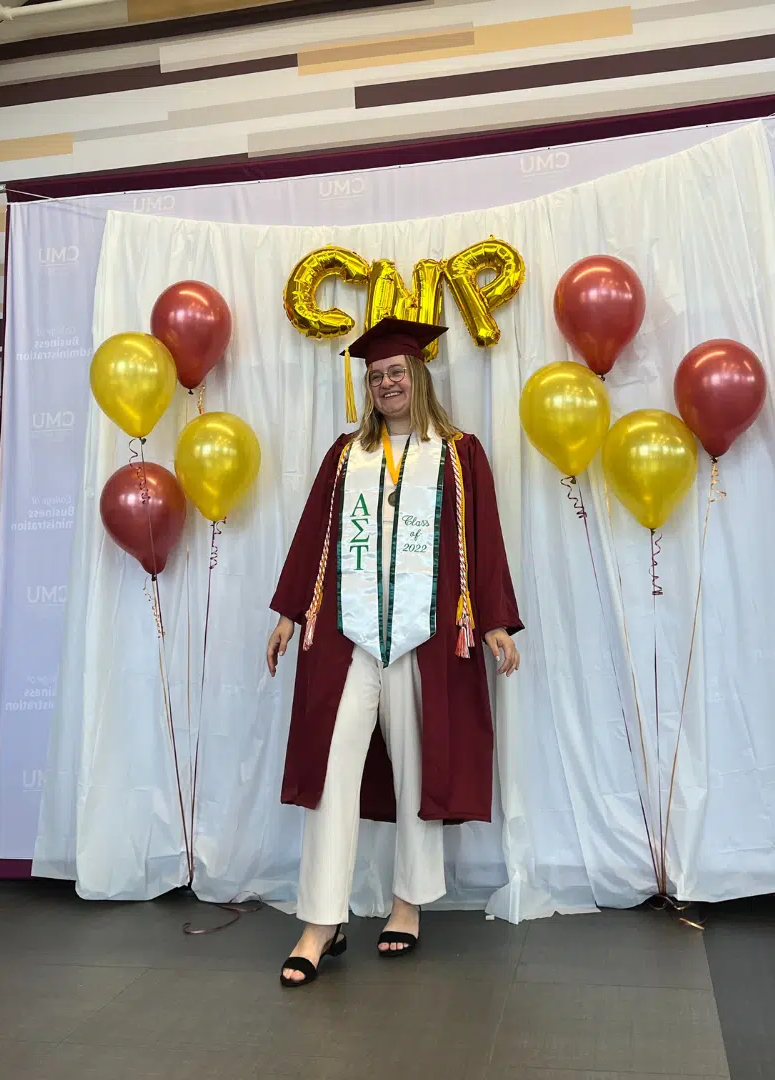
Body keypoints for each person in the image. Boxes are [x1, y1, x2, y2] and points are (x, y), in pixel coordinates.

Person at [266, 316, 522, 988]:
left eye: (395, 373)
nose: (385, 383)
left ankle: (408, 903)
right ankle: (321, 920)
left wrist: (494, 621)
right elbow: (313, 536)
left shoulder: (459, 453)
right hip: (347, 638)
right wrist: (291, 611)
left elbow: (485, 540)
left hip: (426, 639)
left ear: (418, 376)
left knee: (419, 770)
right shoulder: (347, 456)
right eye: (376, 375)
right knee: (331, 773)